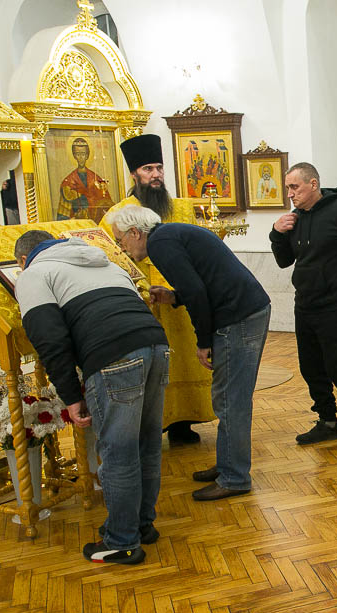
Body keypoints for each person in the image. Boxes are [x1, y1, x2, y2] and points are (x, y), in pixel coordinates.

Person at [14, 229, 168, 565]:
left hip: (114, 356)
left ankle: (122, 541)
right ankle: (141, 525)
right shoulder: (106, 262)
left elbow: (50, 341)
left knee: (118, 452)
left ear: (23, 260)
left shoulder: (34, 274)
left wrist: (71, 396)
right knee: (146, 443)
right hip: (156, 345)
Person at [109, 205, 271, 501]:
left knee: (231, 400)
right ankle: (228, 464)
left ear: (135, 232)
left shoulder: (160, 243)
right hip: (244, 310)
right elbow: (203, 282)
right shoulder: (169, 235)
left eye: (121, 240)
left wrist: (203, 341)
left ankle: (235, 477)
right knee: (226, 397)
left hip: (239, 316)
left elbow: (197, 291)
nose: (122, 247)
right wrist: (174, 297)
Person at [101, 134, 215, 446]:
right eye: (148, 169)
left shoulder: (180, 208)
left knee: (183, 359)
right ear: (134, 175)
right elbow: (112, 256)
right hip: (144, 299)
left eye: (159, 168)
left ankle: (183, 421)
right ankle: (154, 423)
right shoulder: (118, 213)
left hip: (180, 295)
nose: (156, 175)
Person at [271, 162, 337, 446]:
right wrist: (276, 233)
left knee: (336, 365)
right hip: (305, 303)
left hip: (335, 303)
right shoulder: (295, 218)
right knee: (310, 368)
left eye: (295, 187)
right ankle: (328, 421)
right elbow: (284, 261)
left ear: (313, 184)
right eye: (288, 188)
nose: (290, 193)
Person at [56, 137, 114, 222]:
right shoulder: (68, 182)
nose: (80, 157)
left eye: (83, 154)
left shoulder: (95, 178)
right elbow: (63, 214)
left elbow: (107, 204)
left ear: (87, 156)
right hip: (78, 224)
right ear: (74, 156)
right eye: (78, 154)